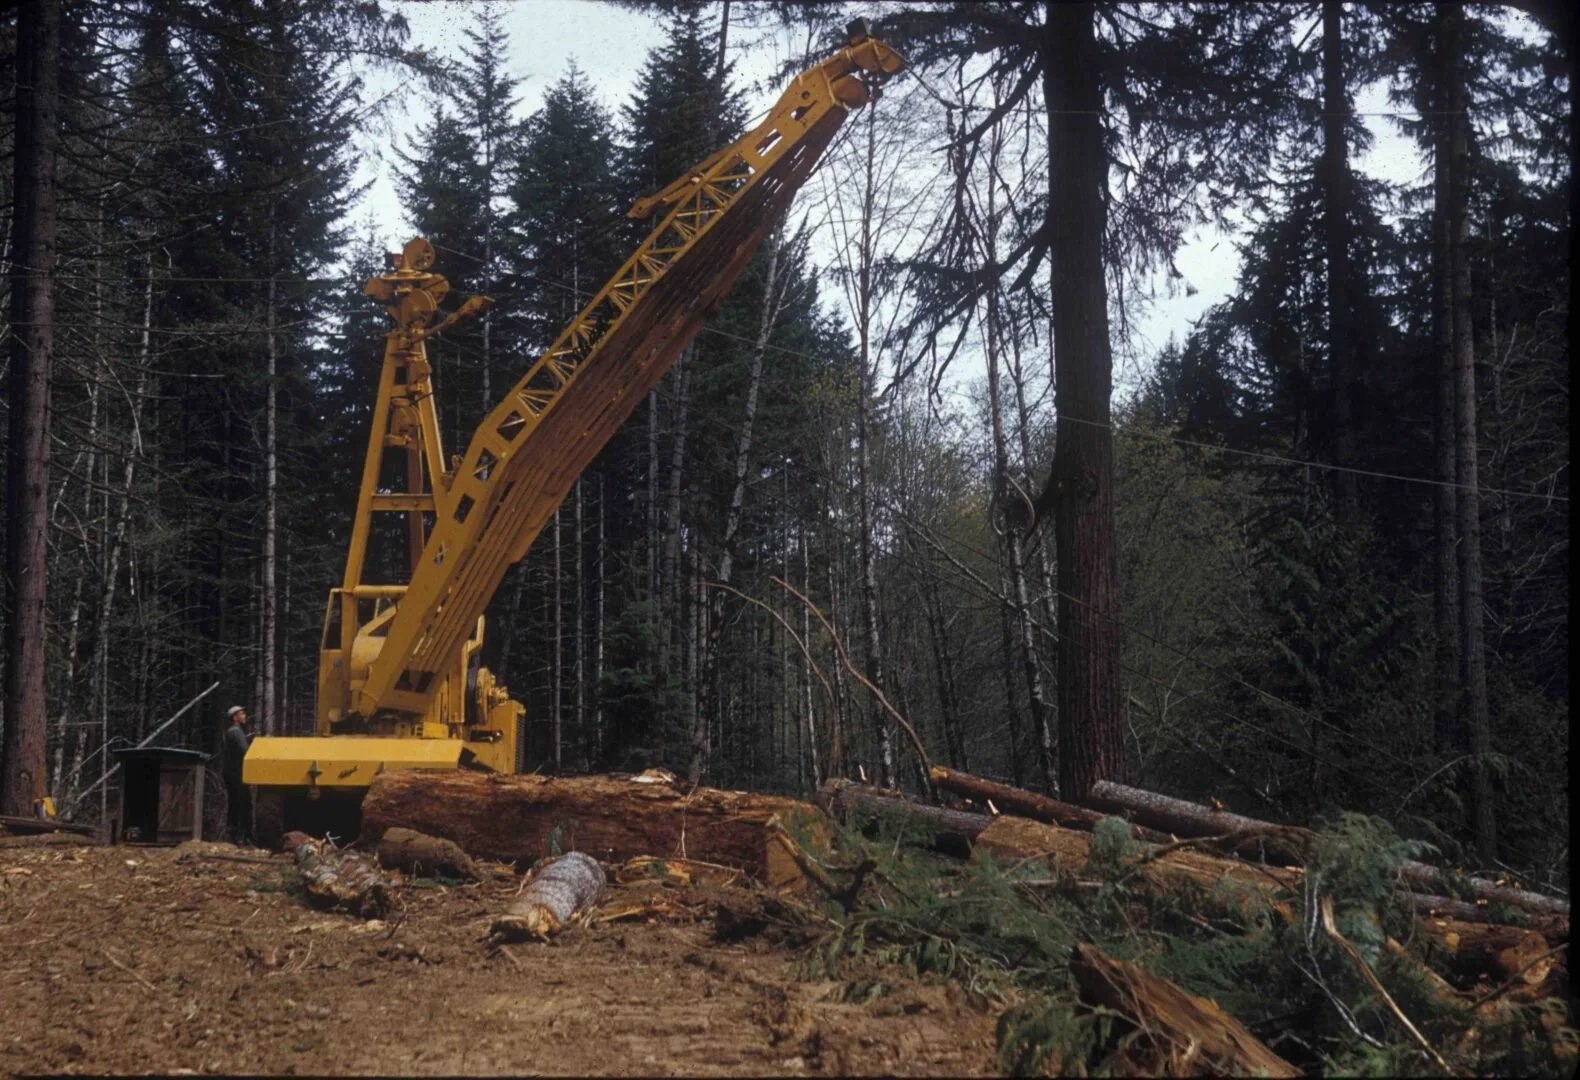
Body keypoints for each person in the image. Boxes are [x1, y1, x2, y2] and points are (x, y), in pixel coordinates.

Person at [222, 705, 253, 845]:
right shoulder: (236, 732)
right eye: (242, 714)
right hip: (237, 773)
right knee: (245, 804)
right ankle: (245, 836)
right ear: (235, 717)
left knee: (234, 804)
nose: (244, 716)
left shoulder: (231, 731)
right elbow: (244, 750)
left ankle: (232, 834)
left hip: (230, 773)